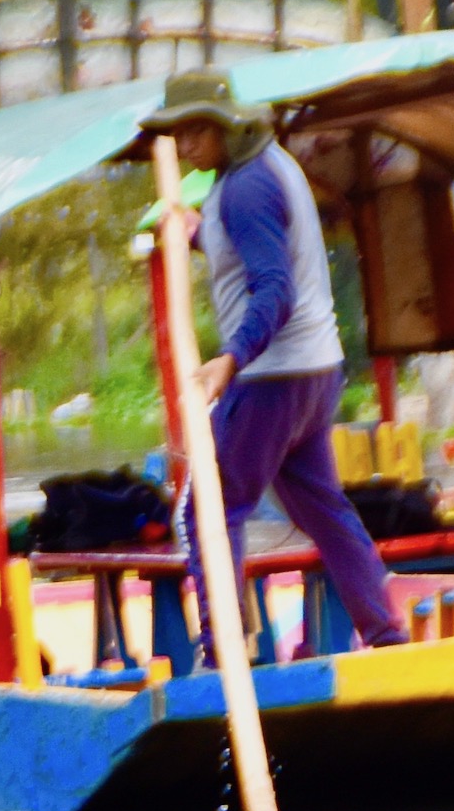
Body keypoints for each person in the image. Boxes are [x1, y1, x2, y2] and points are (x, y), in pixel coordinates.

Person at [149, 70, 402, 651]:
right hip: (316, 369)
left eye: (195, 133)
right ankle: (386, 634)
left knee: (207, 505)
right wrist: (194, 233)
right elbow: (252, 251)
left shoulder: (244, 188)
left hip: (272, 372)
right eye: (178, 136)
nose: (185, 148)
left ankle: (225, 654)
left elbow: (273, 287)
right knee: (322, 507)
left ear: (225, 126)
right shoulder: (265, 168)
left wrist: (230, 360)